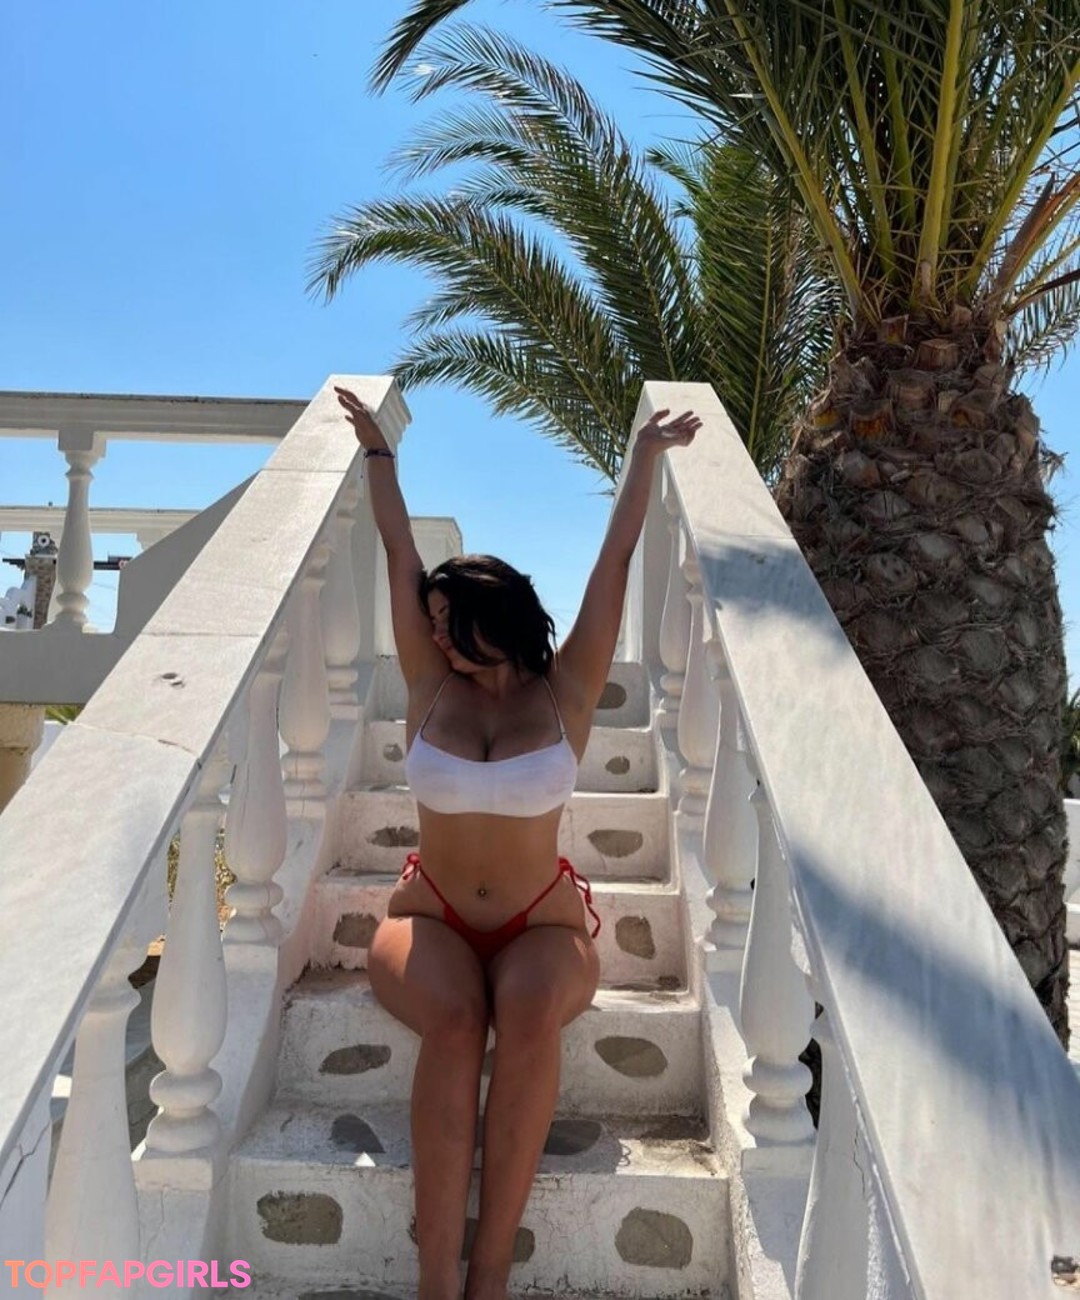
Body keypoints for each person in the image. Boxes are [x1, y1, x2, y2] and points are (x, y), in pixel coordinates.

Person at [335, 385, 700, 1300]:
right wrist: (380, 456)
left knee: (528, 1014)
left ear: (491, 616)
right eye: (429, 619)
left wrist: (644, 460)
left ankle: (490, 1269)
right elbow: (399, 549)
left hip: (542, 922)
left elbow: (613, 564)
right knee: (458, 1024)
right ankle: (435, 1275)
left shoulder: (565, 690)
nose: (432, 631)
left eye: (447, 618)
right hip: (429, 916)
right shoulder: (429, 684)